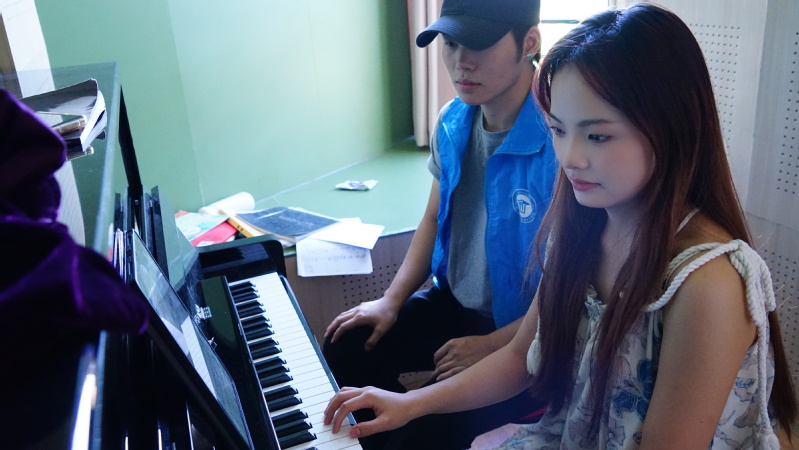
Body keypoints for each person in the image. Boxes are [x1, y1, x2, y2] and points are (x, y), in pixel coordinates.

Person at [323, 3, 798, 448]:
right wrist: (409, 405)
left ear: (671, 129)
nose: (570, 158)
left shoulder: (708, 283)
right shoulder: (583, 228)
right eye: (557, 129)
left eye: (598, 135)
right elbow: (519, 358)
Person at [321, 0, 556, 447]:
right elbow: (432, 217)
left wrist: (492, 345)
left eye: (479, 45)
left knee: (420, 427)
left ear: (529, 42)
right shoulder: (452, 120)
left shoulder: (559, 139)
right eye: (450, 44)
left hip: (527, 333)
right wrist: (390, 301)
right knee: (346, 343)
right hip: (455, 305)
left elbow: (571, 289)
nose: (461, 62)